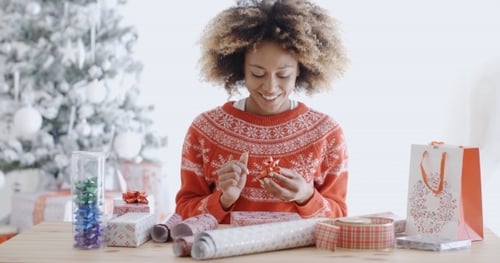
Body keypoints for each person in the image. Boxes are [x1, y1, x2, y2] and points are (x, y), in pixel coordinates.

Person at [175, 0, 350, 224]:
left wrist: (306, 196)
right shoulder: (205, 129)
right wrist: (223, 200)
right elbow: (182, 213)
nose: (270, 87)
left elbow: (339, 217)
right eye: (258, 74)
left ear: (300, 69)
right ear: (240, 68)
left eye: (283, 75)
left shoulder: (326, 133)